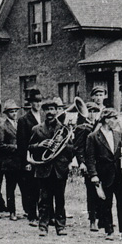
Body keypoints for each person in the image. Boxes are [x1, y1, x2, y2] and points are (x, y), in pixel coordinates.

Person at [27, 97, 75, 236]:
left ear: (56, 111)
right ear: (43, 111)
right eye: (47, 109)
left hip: (60, 169)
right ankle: (43, 226)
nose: (50, 112)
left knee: (60, 199)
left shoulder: (64, 129)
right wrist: (40, 145)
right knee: (44, 199)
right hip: (43, 169)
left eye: (53, 109)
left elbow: (71, 148)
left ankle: (60, 227)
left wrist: (63, 152)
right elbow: (29, 147)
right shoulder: (36, 129)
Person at [85, 108, 122, 241]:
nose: (116, 121)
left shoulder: (119, 134)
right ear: (106, 120)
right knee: (106, 203)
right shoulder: (93, 137)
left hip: (120, 173)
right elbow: (89, 158)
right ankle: (109, 230)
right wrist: (93, 175)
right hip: (104, 174)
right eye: (114, 118)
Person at [72, 102, 102, 231]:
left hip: (102, 163)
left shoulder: (101, 125)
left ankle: (103, 219)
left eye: (95, 111)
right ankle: (92, 220)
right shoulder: (81, 127)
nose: (92, 113)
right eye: (90, 110)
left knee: (104, 190)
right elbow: (78, 148)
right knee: (92, 192)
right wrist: (82, 163)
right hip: (89, 164)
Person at [17, 89, 44, 225]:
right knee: (32, 188)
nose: (38, 104)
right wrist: (25, 161)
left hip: (44, 158)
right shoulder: (23, 120)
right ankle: (32, 215)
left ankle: (44, 215)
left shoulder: (45, 117)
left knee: (43, 187)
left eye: (39, 101)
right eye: (35, 101)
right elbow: (21, 143)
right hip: (31, 158)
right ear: (30, 103)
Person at [0, 99, 23, 220]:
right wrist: (14, 147)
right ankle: (12, 212)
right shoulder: (2, 127)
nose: (14, 113)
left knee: (25, 187)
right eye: (11, 111)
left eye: (15, 111)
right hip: (9, 162)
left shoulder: (20, 124)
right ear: (6, 113)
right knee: (10, 188)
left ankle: (28, 210)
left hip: (21, 161)